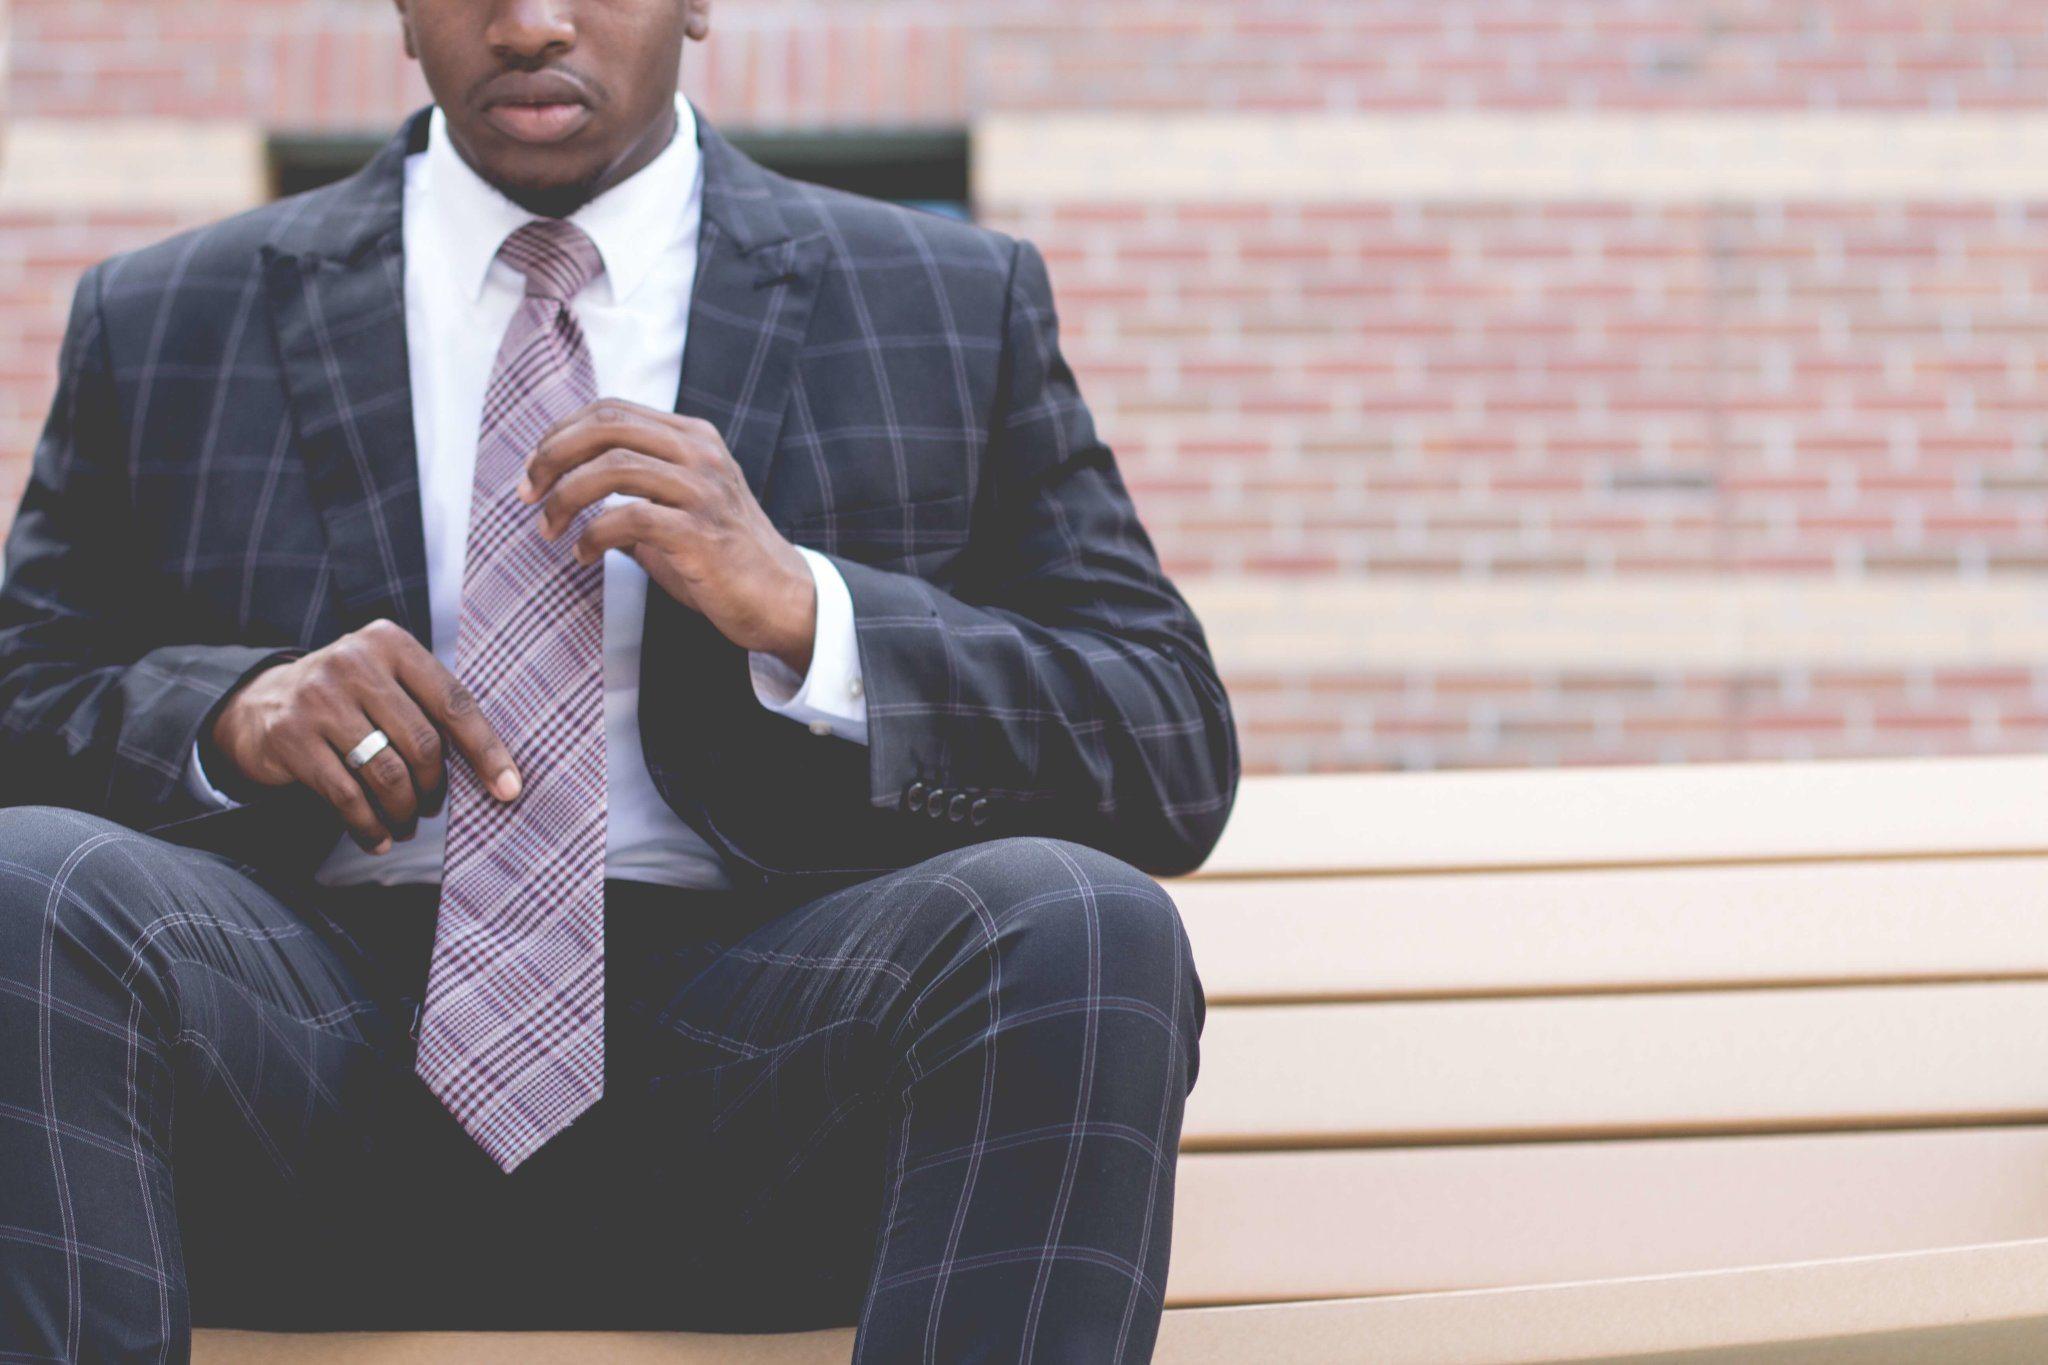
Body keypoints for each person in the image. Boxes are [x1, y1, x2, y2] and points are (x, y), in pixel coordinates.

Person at [0, 0, 1237, 1360]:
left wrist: (808, 613)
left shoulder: (942, 299)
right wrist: (228, 718)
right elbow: (22, 702)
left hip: (770, 1078)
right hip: (294, 1064)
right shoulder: (169, 315)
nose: (530, 23)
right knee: (30, 882)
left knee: (1077, 921)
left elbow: (1167, 742)